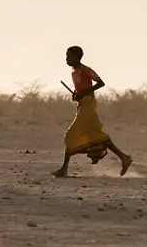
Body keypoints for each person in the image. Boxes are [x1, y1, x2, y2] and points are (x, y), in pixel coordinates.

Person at [51, 45, 132, 178]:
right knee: (97, 134)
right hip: (83, 105)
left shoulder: (85, 70)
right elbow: (80, 89)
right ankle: (124, 157)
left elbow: (100, 83)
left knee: (70, 135)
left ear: (77, 57)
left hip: (88, 104)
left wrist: (83, 93)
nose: (66, 59)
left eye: (68, 56)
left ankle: (64, 169)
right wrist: (76, 95)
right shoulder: (73, 71)